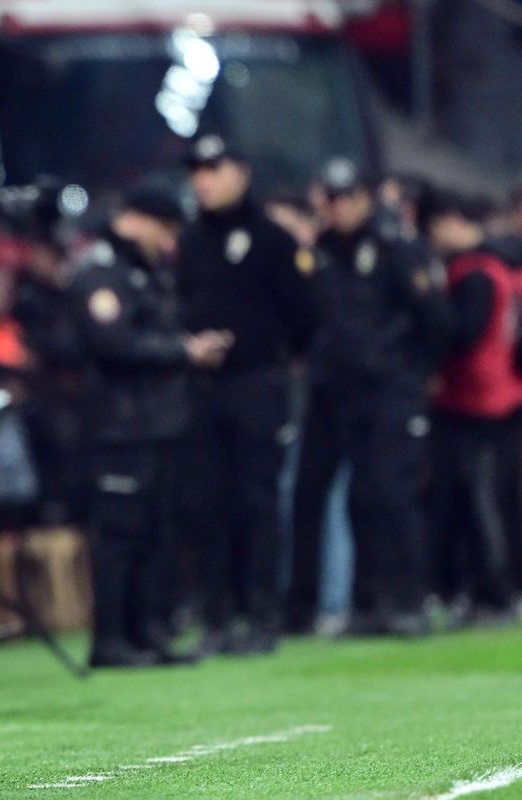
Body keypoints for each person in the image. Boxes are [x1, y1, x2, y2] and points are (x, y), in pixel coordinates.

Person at [72, 187, 231, 667]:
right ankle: (112, 639)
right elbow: (114, 344)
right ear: (136, 220)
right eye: (164, 231)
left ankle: (150, 632)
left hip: (160, 423)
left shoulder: (146, 273)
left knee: (158, 532)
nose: (169, 244)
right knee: (120, 534)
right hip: (120, 428)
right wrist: (184, 352)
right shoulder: (100, 275)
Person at [289, 159, 448, 637]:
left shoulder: (397, 246)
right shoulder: (322, 250)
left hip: (390, 389)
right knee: (357, 497)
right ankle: (367, 600)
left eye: (346, 197)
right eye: (330, 198)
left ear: (365, 197)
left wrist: (414, 372)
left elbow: (436, 321)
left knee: (391, 495)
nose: (337, 208)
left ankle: (407, 600)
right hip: (340, 391)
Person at [177, 135, 317, 654]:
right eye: (197, 170)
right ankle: (217, 616)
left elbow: (305, 317)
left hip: (257, 383)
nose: (203, 180)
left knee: (258, 501)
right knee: (206, 503)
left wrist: (265, 353)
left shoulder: (275, 240)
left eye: (214, 168)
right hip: (203, 388)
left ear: (242, 172)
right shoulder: (190, 241)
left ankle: (262, 615)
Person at [420, 188, 521, 621]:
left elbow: (462, 334)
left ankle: (494, 591)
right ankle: (483, 589)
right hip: (498, 394)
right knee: (482, 498)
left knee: (480, 500)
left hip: (477, 398)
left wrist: (427, 314)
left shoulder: (474, 271)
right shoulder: (502, 265)